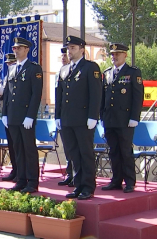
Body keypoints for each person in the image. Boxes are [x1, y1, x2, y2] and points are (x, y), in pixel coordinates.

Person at [55, 36, 102, 200]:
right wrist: (57, 116)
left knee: (85, 153)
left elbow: (96, 94)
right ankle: (78, 184)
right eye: (69, 48)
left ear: (82, 49)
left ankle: (88, 186)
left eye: (73, 47)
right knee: (73, 154)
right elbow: (59, 95)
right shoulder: (64, 70)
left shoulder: (90, 68)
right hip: (67, 119)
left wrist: (93, 116)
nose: (70, 50)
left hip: (83, 119)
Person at [100, 43, 144, 193]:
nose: (114, 57)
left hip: (125, 120)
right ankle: (116, 180)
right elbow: (103, 97)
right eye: (112, 54)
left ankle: (130, 181)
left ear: (125, 55)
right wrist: (101, 116)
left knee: (125, 151)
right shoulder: (107, 73)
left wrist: (134, 117)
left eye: (117, 54)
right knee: (113, 151)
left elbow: (138, 97)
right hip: (110, 119)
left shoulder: (132, 72)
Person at [1, 37, 43, 193]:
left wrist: (30, 115)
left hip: (26, 117)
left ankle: (32, 181)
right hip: (12, 116)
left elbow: (36, 94)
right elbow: (7, 93)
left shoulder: (34, 68)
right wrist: (5, 113)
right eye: (14, 48)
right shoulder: (12, 69)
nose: (16, 51)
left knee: (29, 150)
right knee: (17, 149)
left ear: (26, 50)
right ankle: (21, 179)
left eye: (19, 48)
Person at [0, 53, 18, 182]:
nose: (9, 65)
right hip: (8, 114)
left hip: (18, 115)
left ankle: (20, 171)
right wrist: (0, 94)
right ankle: (15, 169)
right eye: (8, 63)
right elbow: (5, 96)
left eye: (11, 63)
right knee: (11, 145)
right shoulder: (8, 76)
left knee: (19, 146)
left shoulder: (17, 74)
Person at [57, 47, 74, 187]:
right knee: (67, 148)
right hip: (64, 116)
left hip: (76, 117)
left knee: (75, 149)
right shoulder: (61, 72)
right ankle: (70, 173)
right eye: (62, 56)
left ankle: (76, 175)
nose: (64, 57)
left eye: (65, 55)